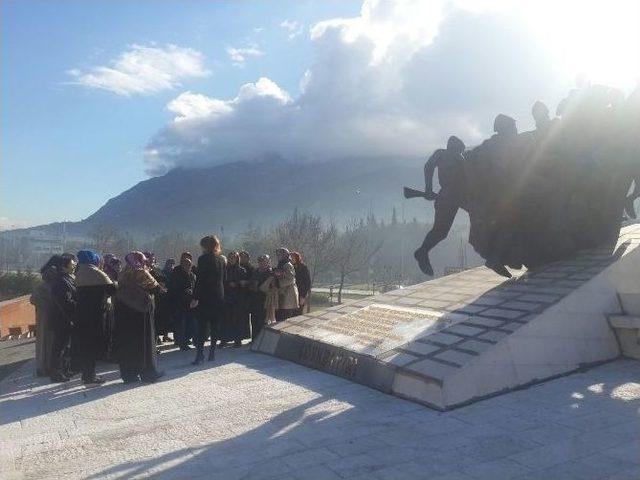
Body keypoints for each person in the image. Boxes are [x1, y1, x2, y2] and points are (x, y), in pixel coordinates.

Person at [413, 135, 467, 276]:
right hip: (449, 197)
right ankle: (422, 252)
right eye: (459, 150)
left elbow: (428, 167)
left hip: (455, 197)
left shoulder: (453, 157)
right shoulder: (446, 155)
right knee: (441, 232)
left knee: (441, 232)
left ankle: (422, 252)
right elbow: (428, 167)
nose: (459, 153)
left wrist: (429, 189)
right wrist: (428, 189)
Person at [113, 251, 165, 383]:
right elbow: (157, 289)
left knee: (128, 341)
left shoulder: (123, 272)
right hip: (140, 312)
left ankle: (129, 375)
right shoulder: (141, 272)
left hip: (123, 310)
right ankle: (148, 373)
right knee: (144, 342)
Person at [73, 250, 116, 385]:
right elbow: (112, 289)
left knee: (85, 345)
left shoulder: (77, 272)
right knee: (92, 345)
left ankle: (87, 374)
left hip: (81, 314)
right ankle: (89, 376)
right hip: (95, 315)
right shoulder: (95, 272)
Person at [192, 235, 226, 365]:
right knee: (215, 326)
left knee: (202, 327)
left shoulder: (203, 259)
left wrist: (195, 297)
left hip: (206, 297)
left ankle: (200, 354)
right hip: (219, 296)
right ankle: (212, 352)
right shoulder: (222, 260)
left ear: (205, 246)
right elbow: (224, 279)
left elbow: (200, 280)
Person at [48, 254, 78, 383]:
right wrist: (80, 304)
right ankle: (56, 373)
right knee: (59, 346)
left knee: (66, 346)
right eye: (72, 264)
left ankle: (65, 369)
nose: (74, 266)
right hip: (62, 318)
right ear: (64, 267)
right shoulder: (61, 282)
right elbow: (65, 302)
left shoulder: (67, 279)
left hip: (67, 318)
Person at [31, 256, 61, 377]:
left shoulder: (42, 284)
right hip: (49, 315)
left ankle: (42, 366)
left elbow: (34, 299)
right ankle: (46, 367)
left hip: (42, 315)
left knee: (43, 342)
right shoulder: (49, 285)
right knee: (49, 341)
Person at [168, 252, 197, 351]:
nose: (187, 267)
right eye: (185, 265)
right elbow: (173, 287)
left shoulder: (193, 275)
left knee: (189, 323)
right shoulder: (176, 273)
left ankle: (186, 339)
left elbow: (195, 286)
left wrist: (193, 293)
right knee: (181, 324)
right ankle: (182, 343)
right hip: (179, 302)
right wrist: (184, 290)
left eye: (189, 265)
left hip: (190, 303)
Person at [223, 251, 250, 347]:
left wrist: (238, 284)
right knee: (227, 319)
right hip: (227, 297)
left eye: (234, 257)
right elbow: (221, 282)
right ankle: (225, 339)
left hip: (239, 298)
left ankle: (237, 340)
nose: (231, 259)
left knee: (238, 319)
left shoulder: (242, 270)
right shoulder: (225, 270)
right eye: (230, 257)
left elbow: (245, 284)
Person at [249, 254, 276, 340]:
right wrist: (253, 285)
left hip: (265, 299)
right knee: (254, 320)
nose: (261, 263)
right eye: (260, 261)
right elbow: (251, 282)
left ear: (268, 262)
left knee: (263, 320)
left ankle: (261, 340)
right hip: (254, 298)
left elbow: (273, 287)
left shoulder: (271, 273)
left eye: (264, 261)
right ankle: (254, 339)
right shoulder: (256, 271)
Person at [274, 248, 299, 322]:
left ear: (285, 255)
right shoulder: (281, 264)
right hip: (282, 295)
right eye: (278, 254)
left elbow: (291, 279)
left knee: (284, 320)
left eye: (281, 254)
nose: (278, 256)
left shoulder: (288, 265)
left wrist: (278, 284)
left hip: (288, 296)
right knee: (279, 318)